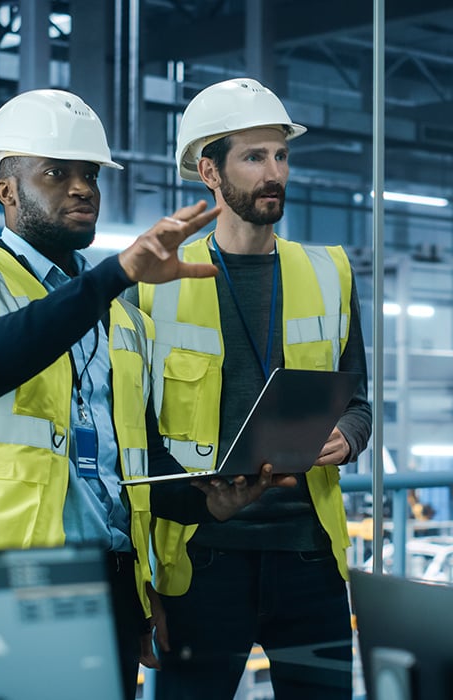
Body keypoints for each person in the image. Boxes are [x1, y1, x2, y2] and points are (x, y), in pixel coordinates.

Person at [0, 88, 291, 700]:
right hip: (5, 585)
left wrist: (207, 502)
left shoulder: (126, 318)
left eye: (90, 175)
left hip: (110, 584)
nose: (81, 187)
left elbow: (135, 461)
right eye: (56, 173)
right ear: (6, 188)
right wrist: (116, 273)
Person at [129, 78, 373, 699]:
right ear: (210, 171)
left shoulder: (330, 272)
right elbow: (132, 435)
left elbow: (359, 403)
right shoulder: (155, 285)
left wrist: (347, 437)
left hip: (308, 560)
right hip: (201, 560)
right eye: (255, 157)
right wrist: (137, 580)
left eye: (282, 156)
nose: (275, 173)